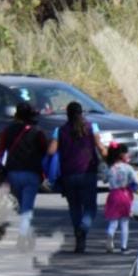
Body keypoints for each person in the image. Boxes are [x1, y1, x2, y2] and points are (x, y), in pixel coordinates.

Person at [0, 102, 53, 248]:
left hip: (13, 173)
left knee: (22, 205)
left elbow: (0, 151)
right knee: (27, 207)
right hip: (32, 174)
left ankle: (28, 234)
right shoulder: (37, 132)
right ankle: (23, 236)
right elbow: (45, 151)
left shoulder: (8, 131)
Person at [55, 102, 106, 253]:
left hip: (68, 173)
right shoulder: (91, 127)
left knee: (74, 207)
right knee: (90, 207)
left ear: (67, 114)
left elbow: (54, 151)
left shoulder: (61, 130)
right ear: (81, 113)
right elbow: (100, 147)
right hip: (88, 172)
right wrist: (110, 159)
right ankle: (83, 229)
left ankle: (80, 240)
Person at [104, 143, 138, 254]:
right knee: (124, 222)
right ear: (122, 155)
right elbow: (137, 181)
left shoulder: (110, 168)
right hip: (125, 195)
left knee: (113, 221)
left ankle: (110, 236)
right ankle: (123, 247)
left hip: (113, 195)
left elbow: (105, 180)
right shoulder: (128, 168)